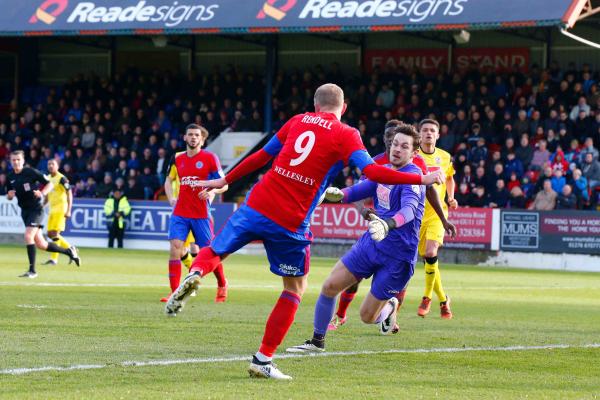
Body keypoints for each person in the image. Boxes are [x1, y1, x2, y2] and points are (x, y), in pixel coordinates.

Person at [165, 83, 443, 380]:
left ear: (314, 105)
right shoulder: (346, 134)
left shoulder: (297, 120)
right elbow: (372, 173)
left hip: (257, 201)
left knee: (215, 249)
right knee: (294, 289)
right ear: (343, 108)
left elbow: (261, 157)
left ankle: (195, 273)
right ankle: (263, 359)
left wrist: (225, 181)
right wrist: (425, 177)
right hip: (291, 219)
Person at [286, 124, 425, 355]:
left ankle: (389, 307)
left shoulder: (412, 177)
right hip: (371, 243)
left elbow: (409, 210)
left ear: (413, 153)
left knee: (366, 316)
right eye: (395, 144)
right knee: (330, 286)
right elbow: (362, 189)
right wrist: (339, 194)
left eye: (404, 146)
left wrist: (388, 224)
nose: (397, 149)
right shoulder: (384, 172)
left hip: (398, 256)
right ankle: (317, 341)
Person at [328, 119, 457, 331]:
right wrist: (359, 209)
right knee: (348, 278)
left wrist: (443, 218)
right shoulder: (375, 162)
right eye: (391, 140)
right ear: (386, 140)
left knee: (371, 311)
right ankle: (339, 316)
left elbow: (424, 194)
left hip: (401, 234)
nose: (393, 145)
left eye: (399, 142)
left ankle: (391, 309)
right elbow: (360, 189)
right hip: (376, 233)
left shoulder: (416, 168)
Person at [161, 124, 229, 303]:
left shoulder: (210, 158)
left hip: (201, 214)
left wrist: (212, 191)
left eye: (196, 135)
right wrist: (171, 199)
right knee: (175, 248)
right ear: (185, 137)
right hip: (180, 212)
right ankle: (175, 293)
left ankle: (222, 283)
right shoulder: (177, 158)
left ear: (202, 139)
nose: (193, 137)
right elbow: (168, 181)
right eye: (190, 134)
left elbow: (225, 184)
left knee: (209, 252)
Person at [6, 151, 80, 278]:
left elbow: (49, 183)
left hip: (36, 209)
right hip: (25, 211)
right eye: (13, 160)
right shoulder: (10, 176)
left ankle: (32, 271)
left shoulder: (30, 172)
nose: (16, 162)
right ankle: (69, 251)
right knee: (41, 244)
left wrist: (43, 193)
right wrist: (9, 196)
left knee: (28, 236)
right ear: (10, 161)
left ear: (23, 161)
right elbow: (9, 194)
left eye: (18, 159)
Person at [416, 119, 457, 319]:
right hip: (416, 215)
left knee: (431, 252)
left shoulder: (445, 156)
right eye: (425, 130)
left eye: (433, 130)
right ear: (419, 134)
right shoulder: (413, 155)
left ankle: (426, 297)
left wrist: (450, 197)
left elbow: (449, 178)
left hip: (437, 215)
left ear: (438, 135)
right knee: (428, 261)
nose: (429, 133)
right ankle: (443, 299)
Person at [42, 158, 74, 266]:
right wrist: (42, 205)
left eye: (53, 164)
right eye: (49, 164)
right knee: (50, 234)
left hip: (61, 209)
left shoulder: (62, 178)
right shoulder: (48, 178)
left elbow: (69, 193)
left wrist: (69, 210)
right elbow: (47, 195)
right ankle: (70, 249)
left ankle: (54, 259)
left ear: (57, 166)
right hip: (52, 209)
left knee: (55, 234)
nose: (50, 166)